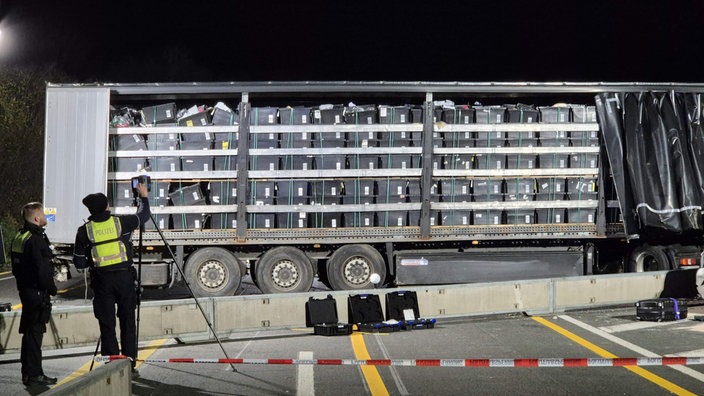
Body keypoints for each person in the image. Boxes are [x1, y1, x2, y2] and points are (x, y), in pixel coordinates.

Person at [73, 183, 150, 374]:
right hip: (124, 280)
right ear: (106, 206)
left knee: (107, 324)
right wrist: (144, 197)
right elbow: (144, 216)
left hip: (102, 282)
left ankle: (113, 367)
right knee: (128, 322)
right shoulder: (121, 223)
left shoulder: (84, 231)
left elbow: (80, 263)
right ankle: (130, 363)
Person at [11, 202, 58, 386]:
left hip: (25, 290)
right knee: (35, 334)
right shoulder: (36, 239)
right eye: (43, 214)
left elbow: (16, 267)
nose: (45, 217)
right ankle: (35, 374)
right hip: (37, 293)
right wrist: (52, 288)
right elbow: (42, 269)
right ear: (37, 218)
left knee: (29, 333)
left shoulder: (20, 236)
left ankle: (28, 373)